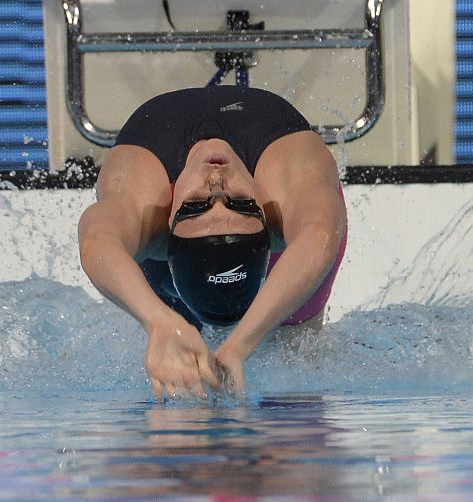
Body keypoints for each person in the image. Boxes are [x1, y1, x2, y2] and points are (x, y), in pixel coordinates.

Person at [78, 85, 347, 399]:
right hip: (233, 244)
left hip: (257, 252)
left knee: (297, 360)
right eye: (241, 203)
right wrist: (160, 323)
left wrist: (239, 346)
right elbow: (319, 233)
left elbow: (95, 240)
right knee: (178, 359)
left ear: (168, 222)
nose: (217, 181)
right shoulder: (290, 177)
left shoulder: (144, 205)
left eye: (195, 206)